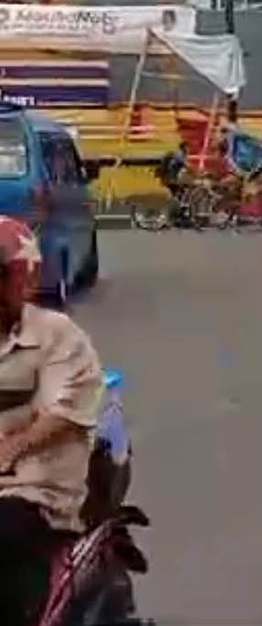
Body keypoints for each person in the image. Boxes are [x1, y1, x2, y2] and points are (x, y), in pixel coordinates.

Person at [0, 217, 105, 626]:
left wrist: (10, 447)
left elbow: (61, 414)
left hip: (32, 492)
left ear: (20, 279)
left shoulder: (56, 335)